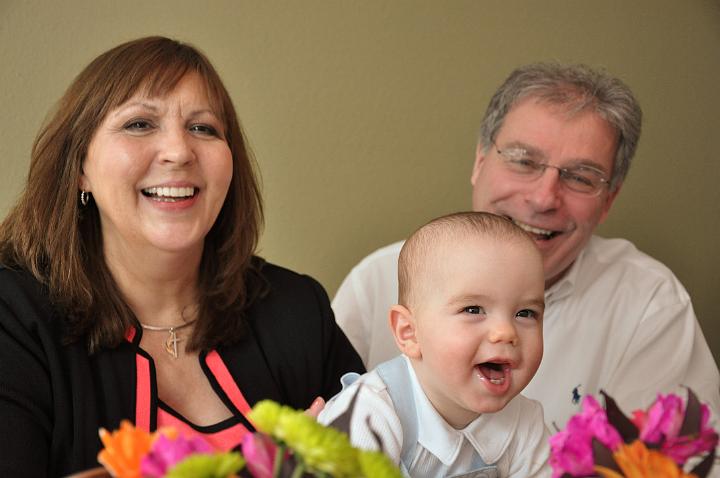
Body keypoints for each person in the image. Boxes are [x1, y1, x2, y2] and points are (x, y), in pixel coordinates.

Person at [0, 36, 363, 477]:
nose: (179, 151)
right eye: (139, 124)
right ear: (80, 168)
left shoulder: (297, 309)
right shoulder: (12, 318)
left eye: (203, 128)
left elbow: (377, 461)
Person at [332, 62, 720, 430]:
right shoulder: (378, 282)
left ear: (609, 200)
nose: (543, 198)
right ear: (480, 161)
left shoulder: (649, 304)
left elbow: (681, 461)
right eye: (523, 161)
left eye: (581, 177)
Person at [319, 212, 550, 477]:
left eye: (526, 313)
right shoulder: (368, 415)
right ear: (410, 333)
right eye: (473, 309)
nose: (505, 332)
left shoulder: (525, 422)